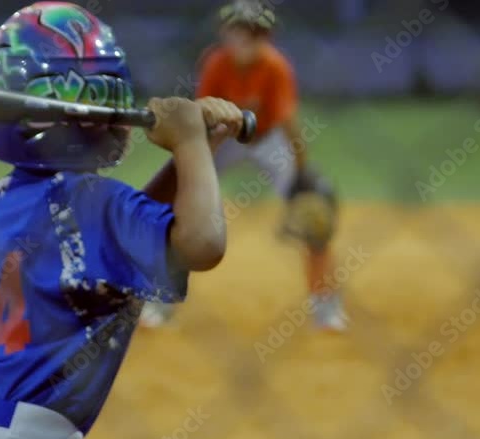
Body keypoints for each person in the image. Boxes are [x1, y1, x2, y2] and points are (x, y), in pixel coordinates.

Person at [0, 3, 244, 439]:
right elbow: (203, 244)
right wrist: (192, 144)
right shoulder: (94, 205)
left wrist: (195, 152)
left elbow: (136, 235)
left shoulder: (9, 198)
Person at [139, 0, 348, 331]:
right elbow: (201, 118)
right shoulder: (216, 62)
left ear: (267, 37)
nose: (247, 40)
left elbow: (288, 125)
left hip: (267, 141)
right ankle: (161, 303)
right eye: (240, 31)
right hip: (225, 137)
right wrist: (191, 168)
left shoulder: (275, 66)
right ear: (226, 33)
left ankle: (326, 308)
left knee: (315, 210)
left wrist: (301, 178)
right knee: (181, 210)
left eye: (256, 33)